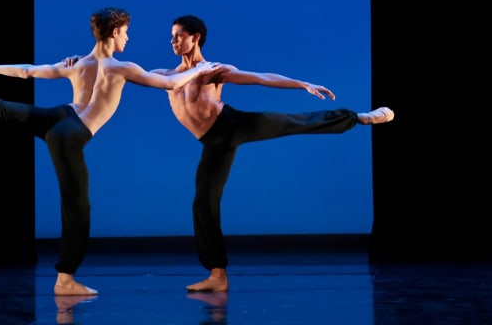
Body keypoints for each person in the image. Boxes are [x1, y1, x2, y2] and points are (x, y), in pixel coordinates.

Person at [0, 7, 220, 296]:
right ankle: (65, 280)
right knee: (77, 207)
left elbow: (30, 71)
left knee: (3, 109)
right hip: (71, 132)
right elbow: (170, 83)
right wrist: (201, 69)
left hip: (57, 115)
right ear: (115, 32)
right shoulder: (123, 68)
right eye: (126, 32)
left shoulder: (78, 64)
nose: (128, 38)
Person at [64, 14, 394, 292]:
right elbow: (116, 71)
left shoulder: (213, 70)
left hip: (232, 125)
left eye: (178, 36)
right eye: (171, 36)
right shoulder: (166, 76)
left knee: (292, 122)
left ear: (195, 37)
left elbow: (261, 78)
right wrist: (79, 62)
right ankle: (217, 276)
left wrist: (302, 84)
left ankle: (359, 118)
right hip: (213, 142)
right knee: (203, 202)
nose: (173, 41)